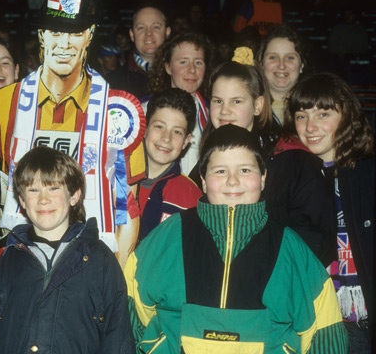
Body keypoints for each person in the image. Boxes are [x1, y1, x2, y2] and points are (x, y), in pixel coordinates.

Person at [125, 124, 347, 353]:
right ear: (203, 180)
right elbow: (129, 305)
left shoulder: (290, 248)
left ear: (263, 178)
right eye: (220, 171)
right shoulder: (170, 235)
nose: (232, 181)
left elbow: (325, 331)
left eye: (245, 170)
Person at [0, 0, 147, 268]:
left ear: (90, 35)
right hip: (18, 259)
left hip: (88, 263)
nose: (65, 44)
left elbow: (127, 203)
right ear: (41, 35)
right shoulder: (2, 104)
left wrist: (112, 274)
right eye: (55, 32)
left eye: (75, 33)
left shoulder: (116, 110)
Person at [0, 146, 134, 354]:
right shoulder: (3, 265)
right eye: (33, 189)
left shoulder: (100, 261)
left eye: (53, 188)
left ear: (74, 196)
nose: (43, 199)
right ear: (22, 201)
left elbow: (118, 339)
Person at [192, 48, 336, 266]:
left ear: (258, 105)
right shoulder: (204, 165)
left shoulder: (293, 160)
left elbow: (318, 236)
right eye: (217, 101)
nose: (224, 111)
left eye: (236, 101)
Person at [287, 73, 374, 353]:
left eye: (323, 114)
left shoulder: (367, 172)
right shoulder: (293, 178)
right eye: (301, 116)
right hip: (317, 319)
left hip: (360, 322)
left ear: (347, 116)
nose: (310, 126)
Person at [134, 88, 201, 242]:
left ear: (186, 141)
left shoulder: (192, 197)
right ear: (144, 128)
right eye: (159, 126)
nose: (166, 138)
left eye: (177, 132)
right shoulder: (115, 180)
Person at [146, 31, 214, 175]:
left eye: (198, 62)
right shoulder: (142, 109)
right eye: (183, 62)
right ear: (168, 67)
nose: (192, 69)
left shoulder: (214, 117)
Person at [106, 6, 171, 99]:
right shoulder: (112, 82)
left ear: (167, 32)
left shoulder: (181, 75)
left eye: (156, 27)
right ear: (132, 35)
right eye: (141, 28)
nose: (149, 33)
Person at [256, 25, 305, 124]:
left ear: (301, 66)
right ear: (261, 64)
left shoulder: (315, 109)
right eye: (273, 57)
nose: (281, 65)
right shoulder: (248, 109)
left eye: (290, 58)